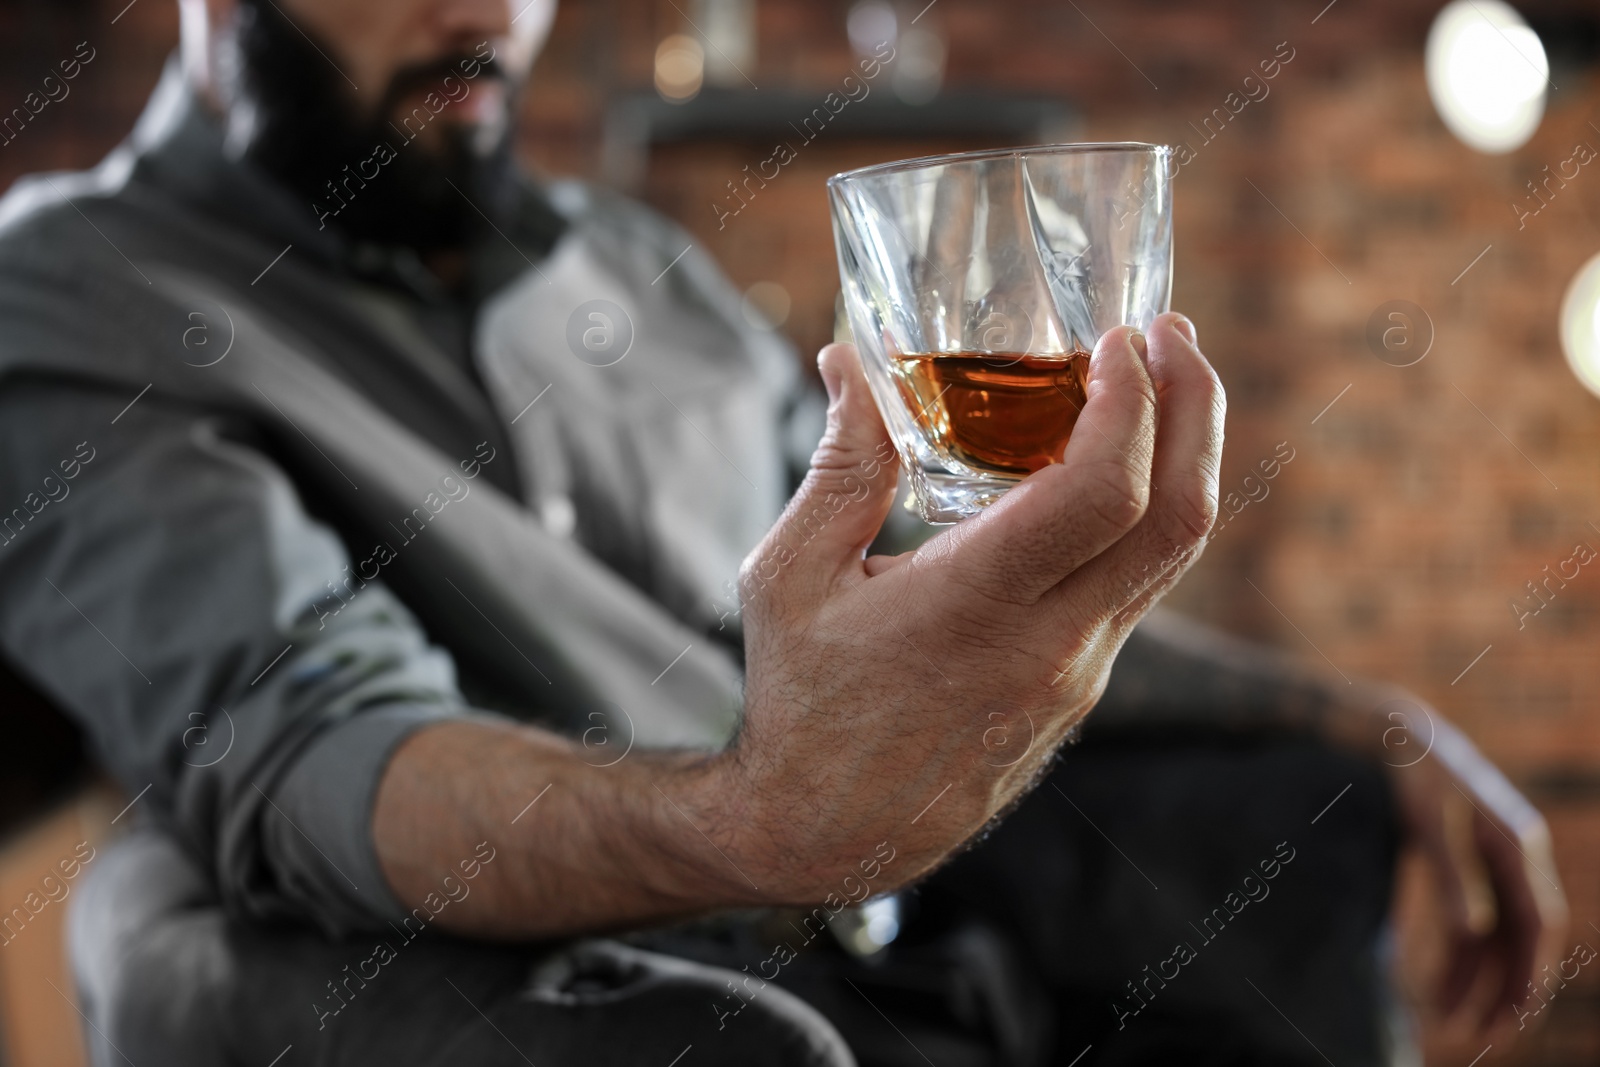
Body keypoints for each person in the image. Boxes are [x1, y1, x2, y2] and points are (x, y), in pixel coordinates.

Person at [0, 0, 1564, 1063]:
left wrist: (1372, 718)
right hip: (612, 967)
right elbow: (306, 745)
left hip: (885, 913)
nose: (485, 9)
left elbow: (924, 589)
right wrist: (765, 822)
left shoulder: (632, 265)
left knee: (1309, 818)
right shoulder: (69, 289)